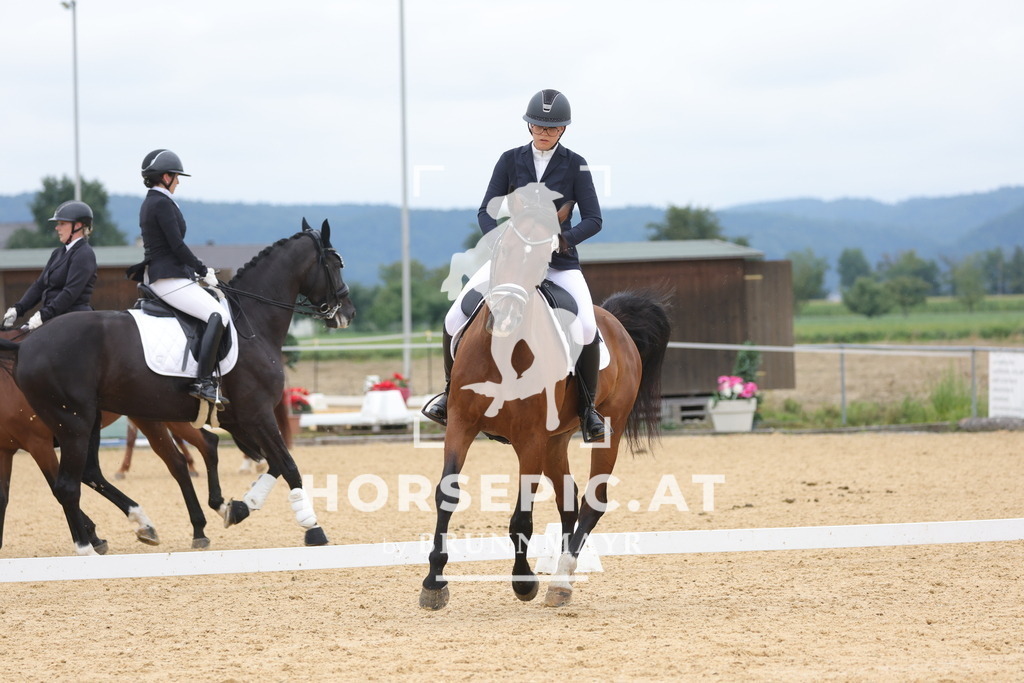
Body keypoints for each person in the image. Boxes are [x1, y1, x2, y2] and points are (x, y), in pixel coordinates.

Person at [422, 88, 607, 442]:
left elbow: (595, 219)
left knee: (584, 327)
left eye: (551, 128)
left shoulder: (576, 165)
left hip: (558, 262)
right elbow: (485, 210)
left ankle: (587, 410)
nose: (544, 132)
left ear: (563, 130)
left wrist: (561, 239)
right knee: (454, 318)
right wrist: (497, 243)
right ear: (529, 125)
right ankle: (450, 395)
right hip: (510, 262)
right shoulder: (509, 160)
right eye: (538, 125)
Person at [128, 149, 230, 409]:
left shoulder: (153, 201)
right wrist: (202, 268)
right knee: (217, 314)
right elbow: (176, 245)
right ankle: (204, 381)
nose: (179, 182)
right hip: (167, 276)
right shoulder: (160, 203)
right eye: (176, 177)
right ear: (165, 176)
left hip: (168, 274)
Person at [3, 200, 97, 331]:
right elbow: (40, 285)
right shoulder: (58, 253)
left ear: (78, 226)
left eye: (62, 224)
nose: (57, 228)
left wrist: (44, 315)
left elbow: (70, 293)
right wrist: (18, 309)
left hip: (74, 320)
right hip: (54, 317)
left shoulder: (84, 254)